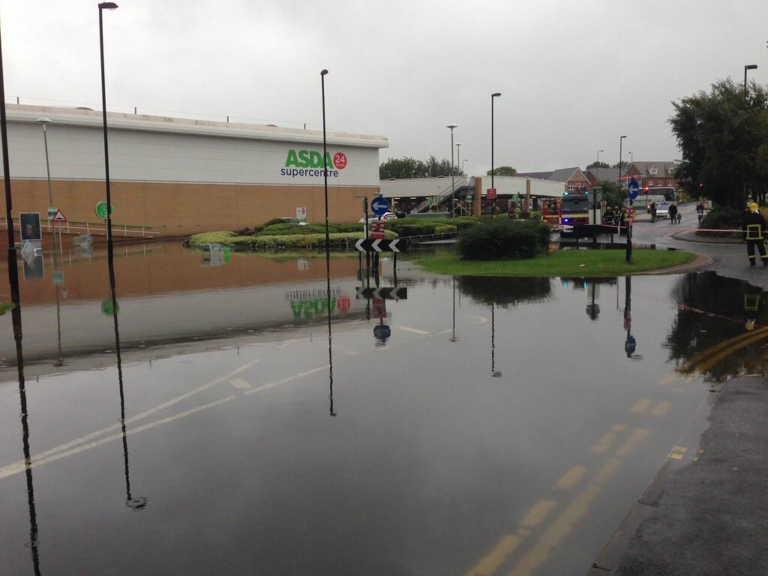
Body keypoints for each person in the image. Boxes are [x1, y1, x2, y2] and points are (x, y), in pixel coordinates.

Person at [743, 202, 768, 267]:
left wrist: (744, 236)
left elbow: (744, 227)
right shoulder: (760, 217)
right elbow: (764, 227)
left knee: (750, 249)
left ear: (750, 209)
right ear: (757, 209)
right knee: (762, 248)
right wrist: (764, 235)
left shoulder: (746, 217)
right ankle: (765, 260)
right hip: (759, 236)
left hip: (750, 237)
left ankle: (752, 261)